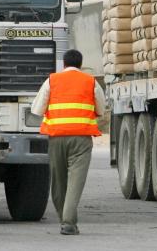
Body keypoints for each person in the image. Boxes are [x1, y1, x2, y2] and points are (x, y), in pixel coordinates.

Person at [31, 49, 106, 235]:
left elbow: (37, 109)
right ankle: (69, 222)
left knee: (58, 182)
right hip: (81, 139)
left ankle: (64, 219)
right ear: (81, 64)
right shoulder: (91, 81)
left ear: (63, 64)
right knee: (75, 182)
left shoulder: (52, 80)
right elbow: (101, 109)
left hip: (56, 138)